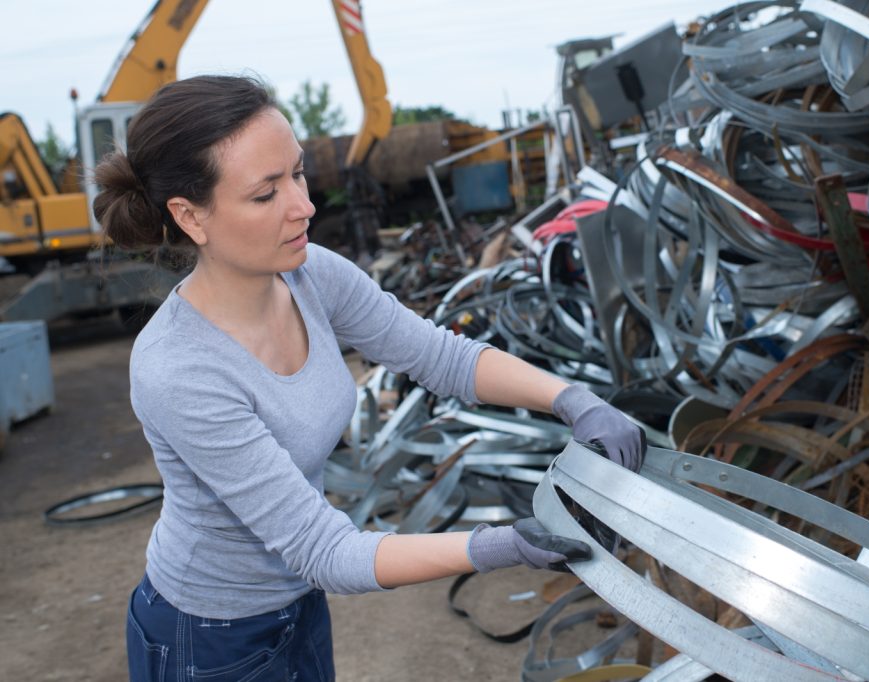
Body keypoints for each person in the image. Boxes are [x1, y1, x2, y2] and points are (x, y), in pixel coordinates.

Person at [93, 75, 643, 682]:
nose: (303, 206)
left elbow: (441, 358)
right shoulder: (179, 369)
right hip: (209, 636)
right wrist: (501, 545)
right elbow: (326, 550)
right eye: (265, 193)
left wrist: (574, 400)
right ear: (189, 216)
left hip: (297, 602)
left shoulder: (309, 274)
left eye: (298, 174)